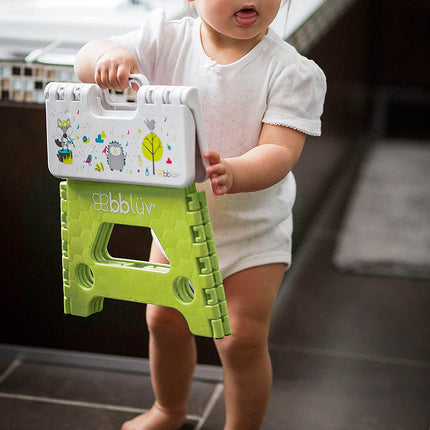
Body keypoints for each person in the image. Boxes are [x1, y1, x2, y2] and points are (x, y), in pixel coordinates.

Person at [74, 0, 326, 428]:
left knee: (239, 341)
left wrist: (237, 170)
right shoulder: (164, 39)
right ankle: (167, 409)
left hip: (252, 234)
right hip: (177, 225)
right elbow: (85, 60)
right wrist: (107, 57)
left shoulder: (291, 71)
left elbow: (280, 151)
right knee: (163, 322)